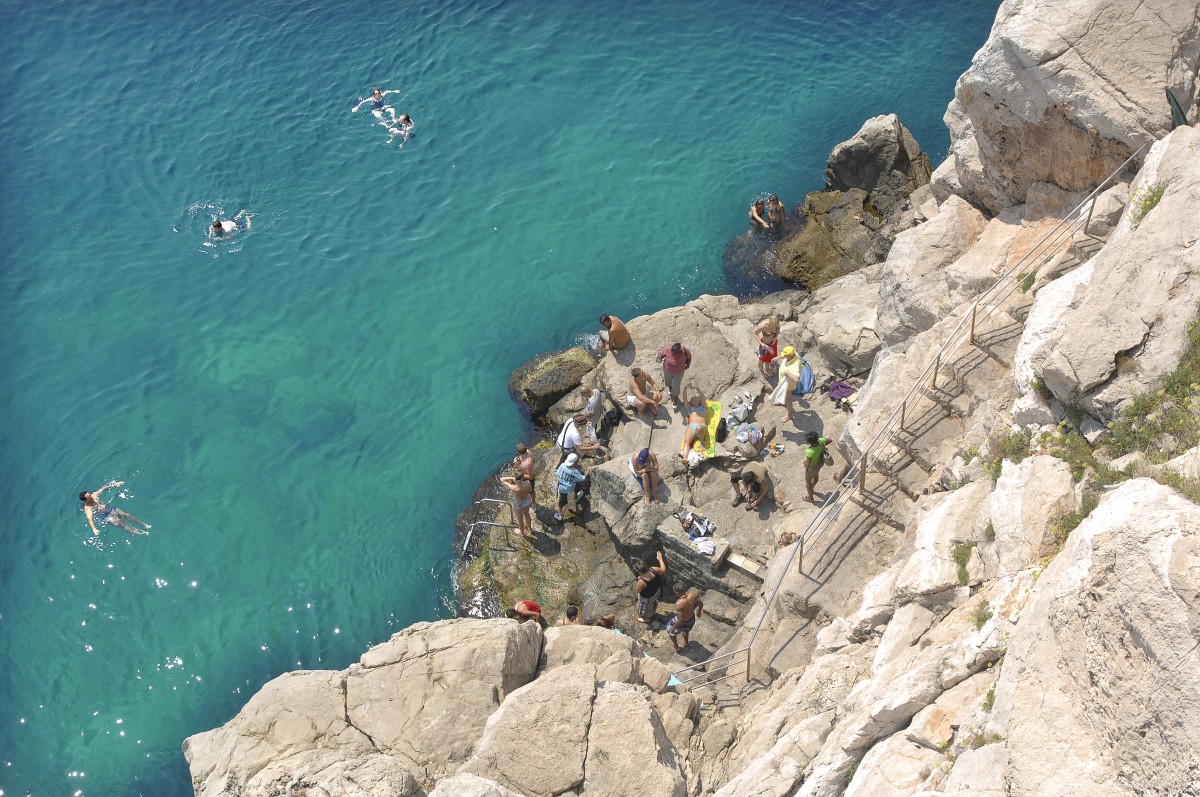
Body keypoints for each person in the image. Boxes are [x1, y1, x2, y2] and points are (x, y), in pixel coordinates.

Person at [80, 481, 150, 536]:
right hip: (106, 517)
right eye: (89, 497)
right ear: (85, 500)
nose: (91, 496)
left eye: (90, 494)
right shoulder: (87, 508)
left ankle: (143, 524)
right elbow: (90, 519)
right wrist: (94, 529)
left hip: (110, 509)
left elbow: (103, 488)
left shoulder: (94, 495)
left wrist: (115, 485)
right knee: (122, 524)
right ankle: (141, 532)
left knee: (126, 515)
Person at [553, 453, 589, 522]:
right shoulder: (574, 471)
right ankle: (575, 497)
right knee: (578, 485)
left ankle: (560, 514)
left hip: (561, 487)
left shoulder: (562, 465)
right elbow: (583, 478)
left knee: (562, 501)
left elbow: (557, 473)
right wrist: (587, 470)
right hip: (570, 488)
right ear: (575, 462)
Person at [666, 584, 703, 651]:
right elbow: (700, 603)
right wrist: (699, 611)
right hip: (691, 619)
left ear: (677, 592)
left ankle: (676, 647)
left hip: (683, 622)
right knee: (686, 630)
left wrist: (673, 628)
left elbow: (680, 620)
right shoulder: (692, 595)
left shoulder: (679, 603)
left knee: (669, 631)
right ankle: (686, 645)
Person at [772, 345, 803, 423]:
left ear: (790, 355)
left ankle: (789, 415)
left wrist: (788, 374)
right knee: (781, 393)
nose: (784, 356)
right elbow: (786, 355)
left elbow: (797, 379)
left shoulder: (795, 364)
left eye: (786, 355)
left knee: (788, 399)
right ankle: (781, 401)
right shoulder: (794, 353)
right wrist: (778, 358)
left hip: (788, 385)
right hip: (782, 381)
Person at [634, 551, 667, 623]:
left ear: (639, 572)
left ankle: (646, 619)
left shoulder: (642, 581)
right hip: (656, 592)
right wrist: (660, 559)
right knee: (653, 602)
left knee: (645, 607)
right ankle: (653, 610)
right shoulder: (654, 569)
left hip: (647, 597)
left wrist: (639, 579)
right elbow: (663, 570)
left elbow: (638, 590)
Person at [499, 473, 534, 538]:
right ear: (523, 476)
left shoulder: (514, 487)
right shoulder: (528, 483)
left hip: (518, 504)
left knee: (520, 520)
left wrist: (512, 478)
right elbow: (531, 490)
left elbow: (502, 479)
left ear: (515, 478)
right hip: (527, 501)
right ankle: (530, 530)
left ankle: (522, 533)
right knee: (527, 514)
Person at [679, 384, 709, 459]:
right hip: (692, 426)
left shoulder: (703, 407)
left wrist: (697, 388)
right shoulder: (690, 409)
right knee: (686, 442)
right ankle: (685, 458)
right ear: (691, 403)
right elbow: (685, 400)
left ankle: (702, 443)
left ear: (699, 401)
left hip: (701, 426)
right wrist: (685, 389)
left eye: (695, 398)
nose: (693, 400)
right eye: (692, 399)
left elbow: (703, 397)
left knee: (698, 428)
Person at [804, 431, 832, 503]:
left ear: (811, 443)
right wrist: (823, 445)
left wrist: (807, 469)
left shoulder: (809, 451)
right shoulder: (820, 441)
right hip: (819, 463)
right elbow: (830, 440)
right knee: (815, 476)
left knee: (807, 483)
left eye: (806, 440)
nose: (805, 441)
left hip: (812, 467)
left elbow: (808, 463)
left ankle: (810, 498)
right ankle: (812, 488)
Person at [752, 314, 781, 383]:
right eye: (772, 325)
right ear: (769, 322)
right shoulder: (764, 327)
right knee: (762, 359)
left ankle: (767, 368)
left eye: (775, 325)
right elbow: (754, 333)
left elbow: (778, 329)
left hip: (772, 345)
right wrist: (761, 343)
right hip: (764, 346)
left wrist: (775, 337)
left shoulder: (776, 325)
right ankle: (761, 371)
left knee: (769, 358)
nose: (774, 326)